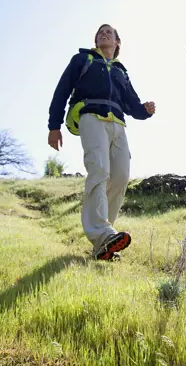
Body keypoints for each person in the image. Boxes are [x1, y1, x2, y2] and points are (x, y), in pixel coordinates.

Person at [48, 24, 156, 260]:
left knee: (120, 176)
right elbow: (62, 90)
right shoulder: (82, 59)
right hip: (90, 117)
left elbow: (132, 104)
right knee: (99, 170)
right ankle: (101, 233)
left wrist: (145, 110)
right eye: (100, 33)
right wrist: (53, 126)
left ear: (118, 43)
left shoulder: (120, 71)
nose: (104, 34)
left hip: (118, 123)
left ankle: (103, 244)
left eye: (109, 33)